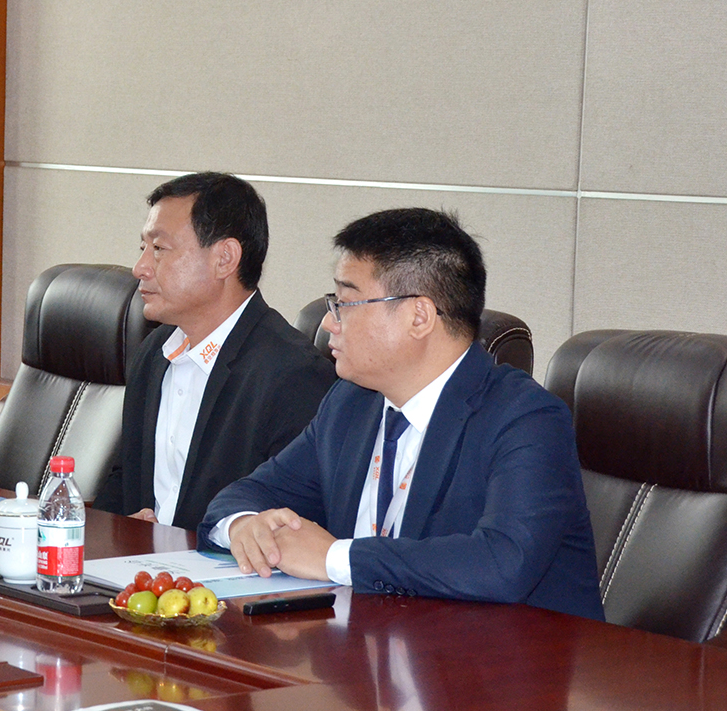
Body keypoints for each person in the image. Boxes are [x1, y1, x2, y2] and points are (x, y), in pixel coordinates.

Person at [198, 208, 604, 620]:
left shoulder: (526, 419)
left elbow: (503, 562)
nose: (329, 323)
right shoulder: (350, 404)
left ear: (419, 317)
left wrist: (335, 558)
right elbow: (244, 495)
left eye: (345, 303)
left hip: (510, 654)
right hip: (378, 642)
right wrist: (245, 526)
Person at [92, 173, 336, 532]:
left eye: (159, 249)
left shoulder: (293, 375)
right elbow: (124, 478)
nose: (140, 268)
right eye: (142, 247)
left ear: (225, 258)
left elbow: (289, 522)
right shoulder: (155, 352)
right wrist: (122, 529)